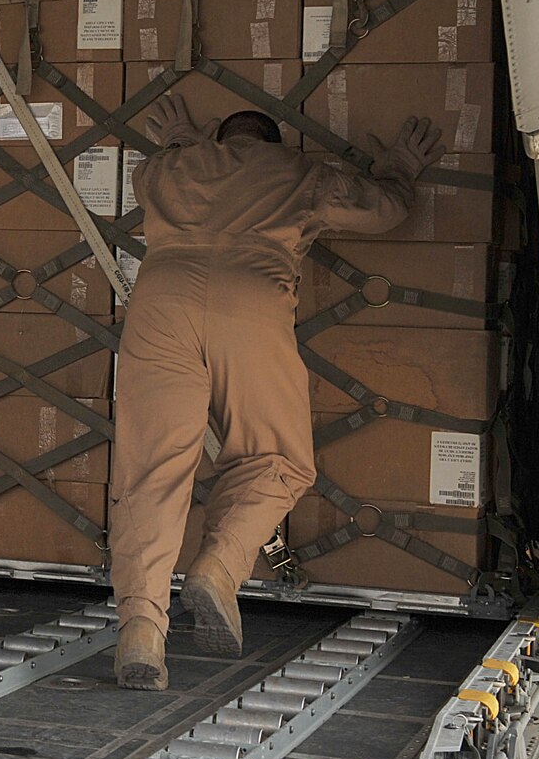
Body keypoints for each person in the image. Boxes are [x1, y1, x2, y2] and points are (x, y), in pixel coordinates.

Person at [110, 101, 446, 690]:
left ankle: (141, 628)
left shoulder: (164, 171)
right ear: (273, 140)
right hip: (251, 300)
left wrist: (186, 143)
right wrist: (398, 167)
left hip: (160, 302)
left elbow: (172, 167)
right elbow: (385, 210)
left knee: (151, 468)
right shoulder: (298, 172)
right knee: (277, 458)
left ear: (220, 137)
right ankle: (218, 566)